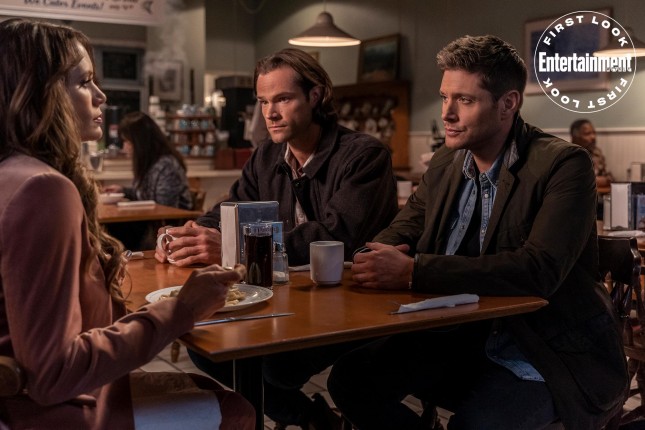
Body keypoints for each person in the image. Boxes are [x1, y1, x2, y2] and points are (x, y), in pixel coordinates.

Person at [327, 35, 628, 430]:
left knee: (475, 425)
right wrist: (375, 255)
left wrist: (414, 272)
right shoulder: (446, 160)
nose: (447, 113)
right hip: (456, 338)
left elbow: (539, 270)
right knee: (350, 379)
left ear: (508, 104)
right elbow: (406, 226)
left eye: (464, 100)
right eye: (444, 97)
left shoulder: (564, 164)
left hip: (540, 350)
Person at [0, 18, 254, 429]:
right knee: (237, 410)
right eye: (85, 82)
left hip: (17, 402)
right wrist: (182, 310)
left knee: (208, 389)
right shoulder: (42, 189)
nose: (101, 96)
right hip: (46, 414)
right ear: (39, 94)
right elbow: (53, 375)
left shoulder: (11, 174)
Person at [158, 48, 399, 429]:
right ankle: (318, 421)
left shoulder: (364, 155)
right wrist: (188, 233)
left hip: (352, 303)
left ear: (315, 96)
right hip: (293, 298)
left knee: (271, 366)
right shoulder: (267, 156)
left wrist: (234, 247)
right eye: (263, 101)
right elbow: (230, 207)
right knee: (208, 349)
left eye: (283, 99)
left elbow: (335, 235)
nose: (270, 113)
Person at [103, 111, 193, 250]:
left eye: (127, 141)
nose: (124, 147)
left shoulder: (166, 165)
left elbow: (165, 208)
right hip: (149, 226)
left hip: (165, 231)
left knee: (111, 231)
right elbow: (146, 195)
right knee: (108, 230)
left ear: (140, 142)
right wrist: (123, 191)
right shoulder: (149, 163)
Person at [570, 118, 613, 189]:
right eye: (587, 134)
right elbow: (572, 181)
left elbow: (609, 178)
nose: (593, 137)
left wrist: (592, 180)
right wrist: (595, 180)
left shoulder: (596, 152)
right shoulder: (568, 155)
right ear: (575, 137)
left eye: (594, 133)